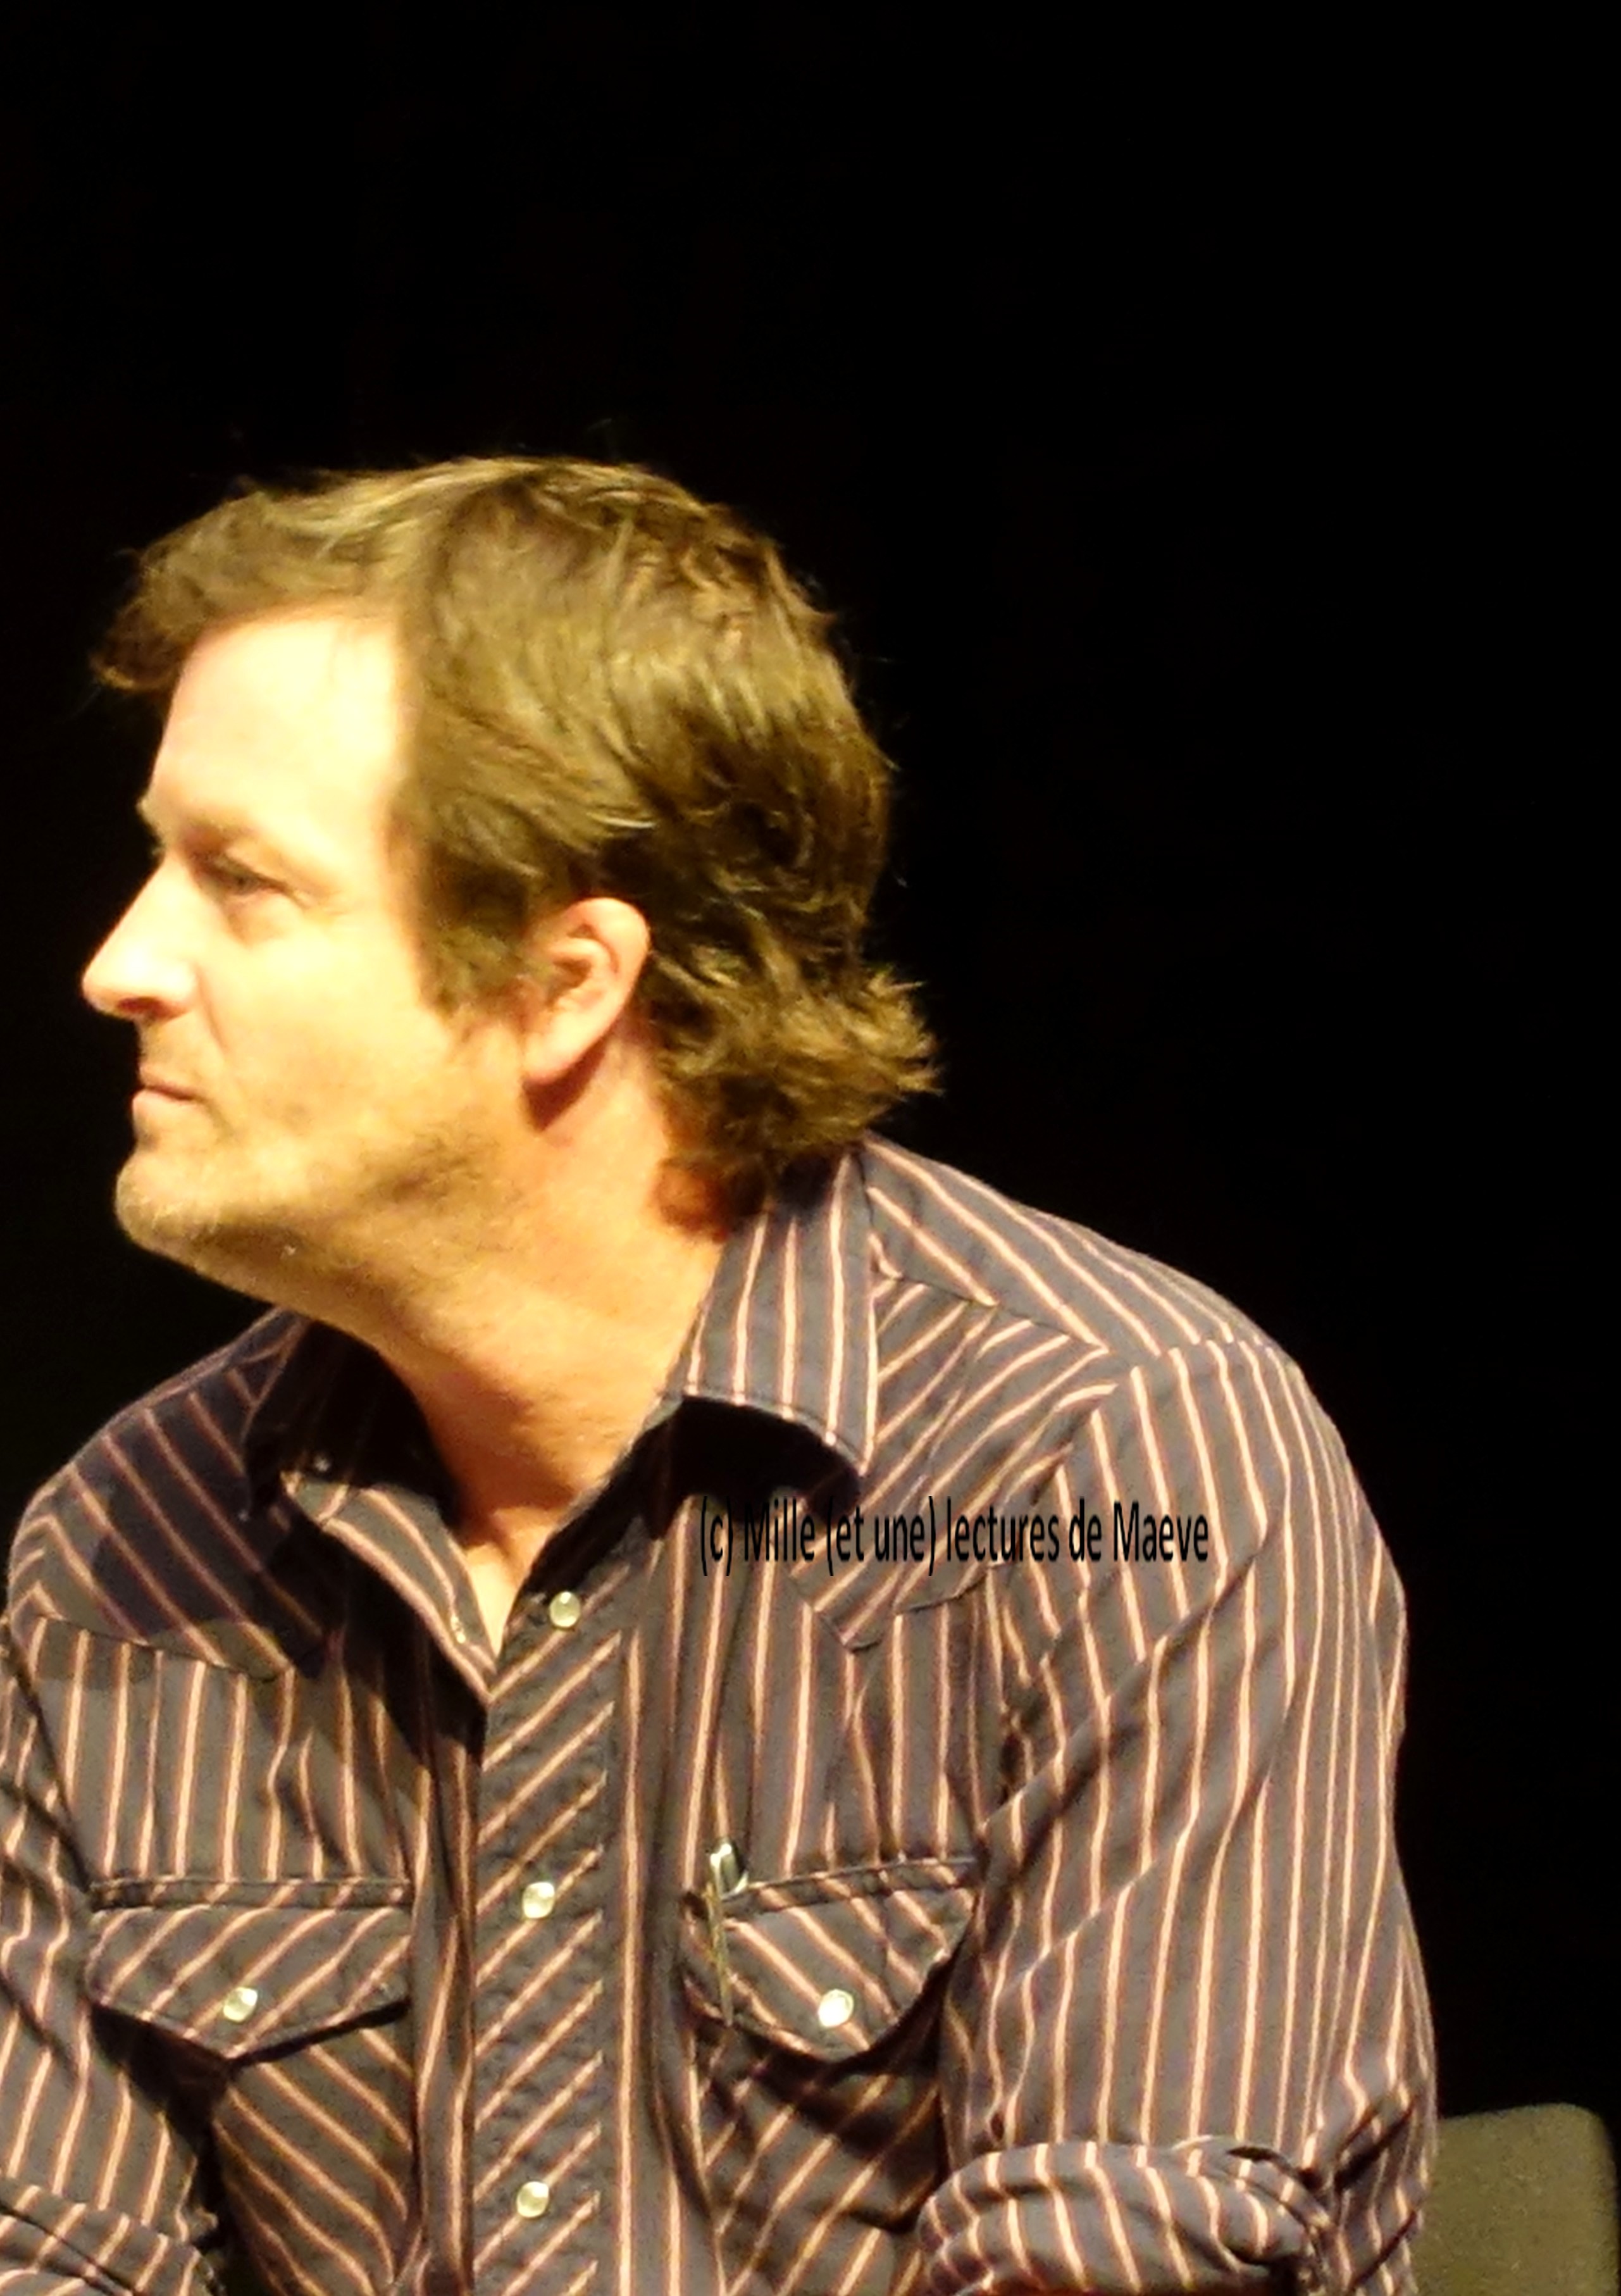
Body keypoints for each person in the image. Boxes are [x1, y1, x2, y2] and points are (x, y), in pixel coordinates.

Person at [0, 457, 1432, 2295]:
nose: (121, 963)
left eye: (242, 882)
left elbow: (1117, 2256)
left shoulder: (1108, 1463)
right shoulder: (126, 1550)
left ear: (566, 981)